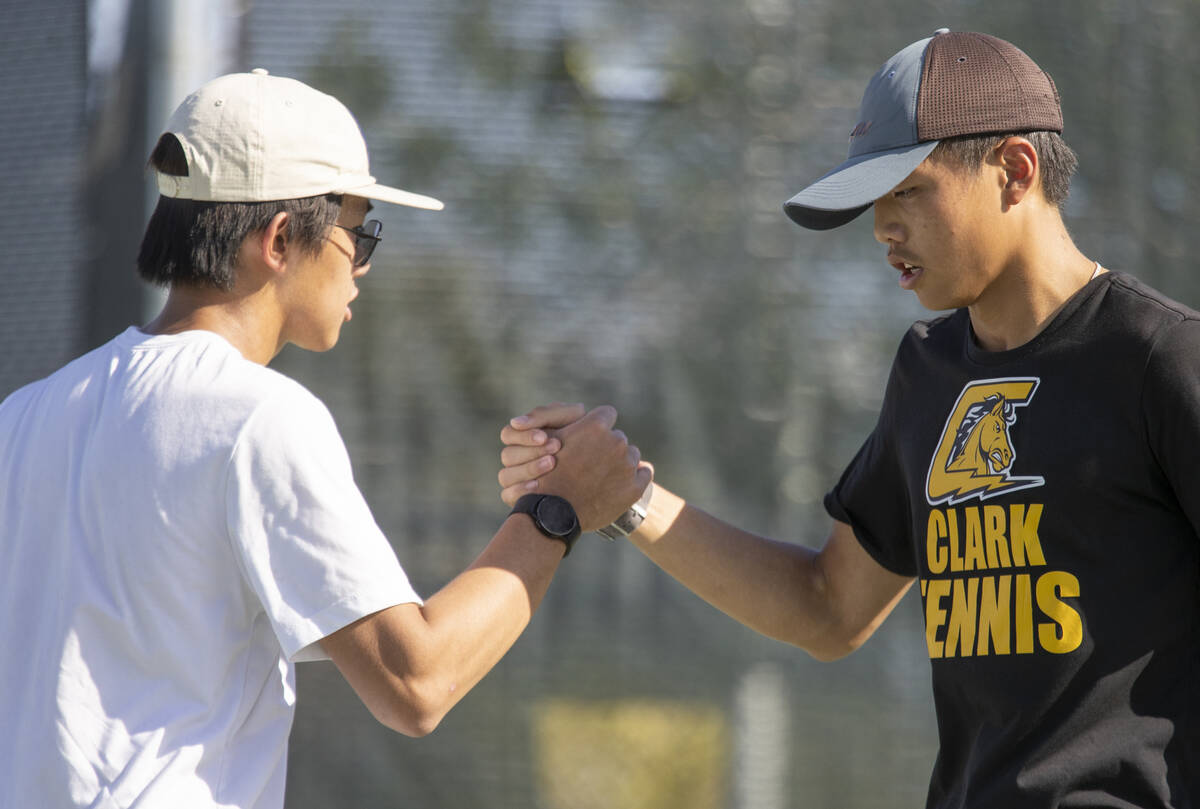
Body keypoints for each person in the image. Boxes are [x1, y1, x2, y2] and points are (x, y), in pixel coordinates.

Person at [499, 29, 1198, 808]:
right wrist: (626, 496)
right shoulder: (930, 371)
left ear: (1014, 170)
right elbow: (829, 607)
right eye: (876, 200)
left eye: (908, 190)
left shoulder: (1161, 358)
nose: (881, 229)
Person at [0, 70, 649, 809]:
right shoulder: (256, 416)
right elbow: (418, 681)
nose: (361, 269)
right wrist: (558, 510)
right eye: (360, 235)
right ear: (280, 239)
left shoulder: (21, 417)